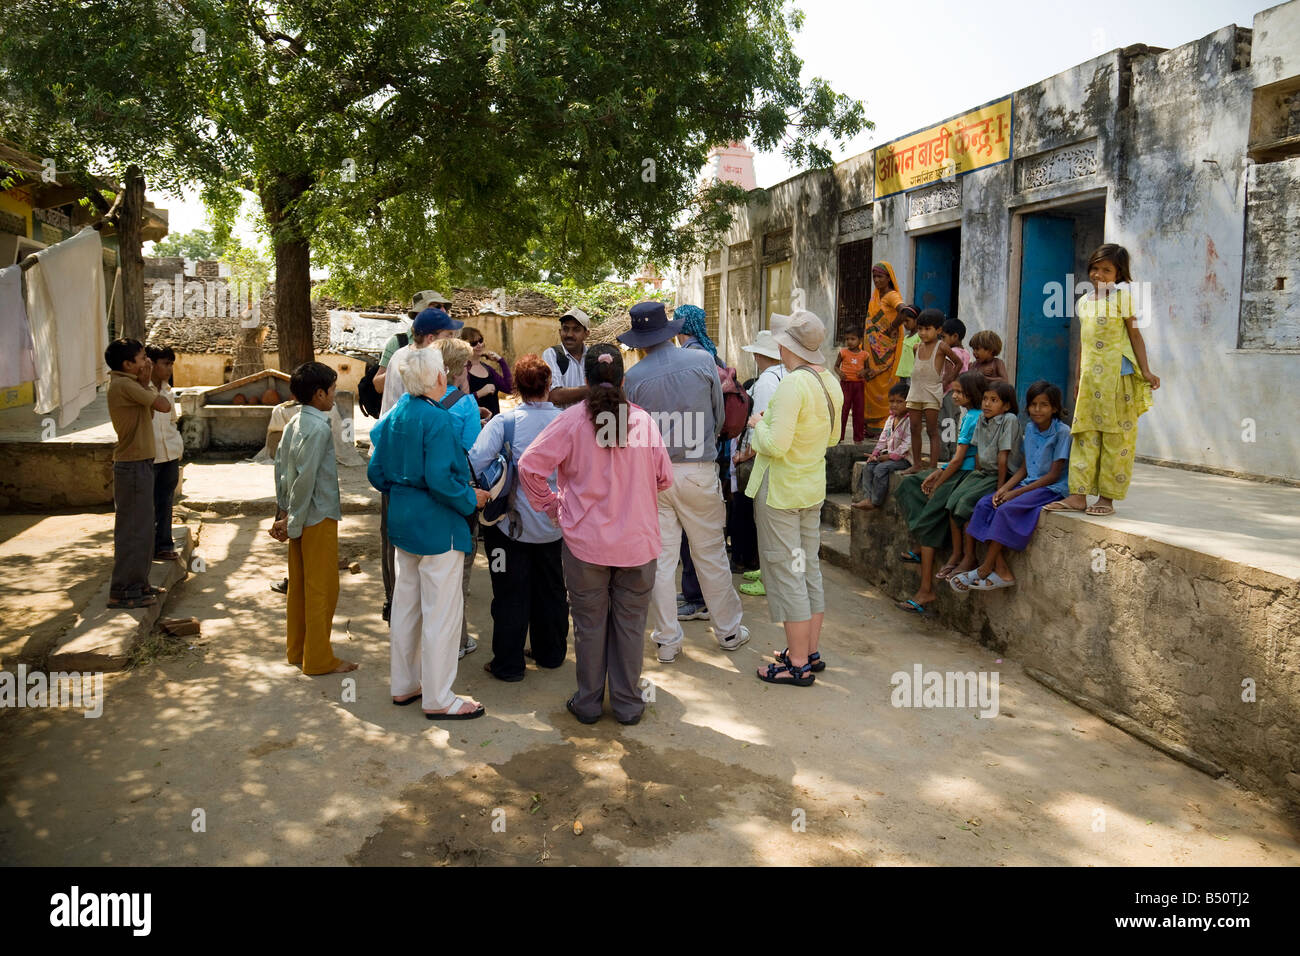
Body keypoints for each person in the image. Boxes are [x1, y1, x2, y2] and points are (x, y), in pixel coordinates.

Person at [518, 344, 673, 725]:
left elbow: (529, 466)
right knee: (631, 625)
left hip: (585, 544)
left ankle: (587, 703)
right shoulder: (642, 422)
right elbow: (664, 478)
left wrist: (553, 506)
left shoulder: (571, 421)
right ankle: (627, 704)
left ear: (584, 381)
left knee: (589, 624)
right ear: (623, 380)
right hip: (638, 544)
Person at [621, 300, 748, 663]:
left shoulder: (633, 378)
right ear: (669, 331)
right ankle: (728, 632)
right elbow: (719, 416)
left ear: (638, 340)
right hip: (698, 470)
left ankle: (667, 641)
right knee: (709, 552)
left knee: (660, 560)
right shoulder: (703, 362)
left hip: (654, 476)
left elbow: (630, 432)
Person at [367, 346, 490, 718]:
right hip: (439, 527)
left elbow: (376, 472)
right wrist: (472, 498)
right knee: (441, 612)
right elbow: (441, 480)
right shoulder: (437, 419)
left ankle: (405, 685)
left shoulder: (397, 412)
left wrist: (403, 491)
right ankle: (439, 697)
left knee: (407, 606)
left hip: (404, 524)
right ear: (439, 377)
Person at [745, 310, 843, 685]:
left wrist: (759, 425)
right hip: (810, 489)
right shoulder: (828, 381)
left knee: (787, 574)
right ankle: (808, 651)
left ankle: (797, 663)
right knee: (805, 568)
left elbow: (775, 443)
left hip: (781, 494)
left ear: (785, 344)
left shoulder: (790, 385)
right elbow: (832, 438)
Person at [469, 354, 567, 682]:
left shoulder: (504, 424)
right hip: (554, 527)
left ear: (516, 388)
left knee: (510, 593)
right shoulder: (566, 422)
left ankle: (509, 664)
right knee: (552, 590)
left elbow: (476, 462)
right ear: (549, 384)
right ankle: (550, 653)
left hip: (509, 529)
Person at [1047, 243, 1159, 517]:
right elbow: (1084, 343)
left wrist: (1146, 370)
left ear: (1118, 273)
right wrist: (1078, 379)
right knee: (1084, 435)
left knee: (1115, 437)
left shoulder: (1123, 299)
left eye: (1106, 270)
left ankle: (1106, 499)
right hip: (1090, 381)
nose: (1098, 274)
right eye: (1095, 268)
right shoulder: (1084, 302)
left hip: (1117, 378)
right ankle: (1078, 496)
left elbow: (1134, 336)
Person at [269, 362, 357, 675]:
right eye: (332, 390)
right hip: (316, 516)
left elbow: (281, 469)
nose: (334, 396)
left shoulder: (294, 423)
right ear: (319, 394)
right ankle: (318, 659)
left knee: (301, 587)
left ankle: (298, 650)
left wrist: (283, 512)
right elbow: (304, 478)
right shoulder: (319, 427)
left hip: (299, 514)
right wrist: (292, 520)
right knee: (322, 588)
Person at [377, 307, 463, 622]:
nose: (451, 340)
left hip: (398, 457)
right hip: (411, 459)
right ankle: (397, 599)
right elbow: (428, 406)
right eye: (446, 336)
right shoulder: (416, 363)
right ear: (430, 338)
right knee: (403, 537)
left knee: (397, 536)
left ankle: (399, 600)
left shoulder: (404, 356)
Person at [955, 381, 1071, 592]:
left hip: (1050, 488)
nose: (1037, 409)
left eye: (1044, 405)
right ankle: (1002, 570)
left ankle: (985, 568)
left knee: (1006, 509)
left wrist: (1016, 492)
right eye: (1033, 404)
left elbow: (1053, 475)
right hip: (1028, 483)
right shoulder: (1030, 428)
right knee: (984, 504)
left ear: (1054, 408)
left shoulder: (1062, 432)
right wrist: (1004, 489)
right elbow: (1024, 469)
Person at [893, 370, 987, 614]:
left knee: (929, 518)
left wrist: (938, 478)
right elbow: (957, 458)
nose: (954, 396)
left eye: (959, 392)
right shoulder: (968, 415)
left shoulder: (973, 418)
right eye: (954, 391)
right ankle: (923, 533)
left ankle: (926, 589)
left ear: (971, 395)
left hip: (962, 476)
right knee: (910, 485)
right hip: (955, 470)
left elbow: (959, 461)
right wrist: (937, 471)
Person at [105, 338, 171, 609]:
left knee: (143, 529)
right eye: (143, 358)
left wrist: (145, 385)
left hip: (140, 463)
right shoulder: (124, 385)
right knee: (133, 531)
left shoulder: (132, 386)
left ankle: (138, 583)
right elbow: (163, 406)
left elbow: (151, 415)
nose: (148, 363)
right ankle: (122, 590)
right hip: (132, 466)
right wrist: (147, 385)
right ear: (127, 364)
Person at [672, 304, 726, 622]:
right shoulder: (711, 354)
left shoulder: (689, 358)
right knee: (699, 534)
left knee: (691, 536)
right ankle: (696, 593)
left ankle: (699, 599)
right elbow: (717, 415)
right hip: (706, 455)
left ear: (682, 327)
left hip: (689, 460)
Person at [941, 380, 1022, 581]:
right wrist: (974, 477)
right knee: (952, 501)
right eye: (985, 399)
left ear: (1006, 405)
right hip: (983, 472)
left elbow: (1003, 458)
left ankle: (970, 557)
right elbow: (978, 453)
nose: (987, 404)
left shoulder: (1009, 420)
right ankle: (957, 553)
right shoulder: (981, 419)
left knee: (968, 504)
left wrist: (1000, 489)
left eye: (994, 400)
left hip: (1000, 474)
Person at [434, 336, 484, 658]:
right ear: (460, 369)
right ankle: (460, 638)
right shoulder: (464, 405)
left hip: (430, 495)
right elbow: (476, 455)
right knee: (459, 572)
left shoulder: (421, 402)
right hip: (460, 493)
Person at [733, 330, 785, 595]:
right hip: (776, 458)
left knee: (764, 521)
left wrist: (745, 455)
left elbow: (760, 424)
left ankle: (768, 577)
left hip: (761, 457)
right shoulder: (784, 375)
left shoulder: (766, 381)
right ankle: (767, 568)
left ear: (759, 354)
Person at [900, 309, 962, 473]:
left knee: (932, 430)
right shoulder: (916, 347)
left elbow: (958, 363)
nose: (922, 333)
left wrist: (948, 380)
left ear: (939, 330)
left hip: (932, 393)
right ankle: (917, 464)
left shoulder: (941, 347)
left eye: (927, 329)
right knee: (914, 428)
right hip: (915, 392)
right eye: (920, 329)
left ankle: (933, 466)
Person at [373, 290, 453, 396]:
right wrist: (402, 368)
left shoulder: (449, 342)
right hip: (405, 411)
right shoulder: (398, 342)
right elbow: (378, 386)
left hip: (437, 410)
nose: (443, 311)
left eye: (445, 307)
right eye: (437, 306)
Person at [860, 262, 908, 430]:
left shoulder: (891, 295)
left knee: (885, 385)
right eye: (874, 277)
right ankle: (871, 424)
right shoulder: (875, 296)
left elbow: (904, 310)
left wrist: (891, 328)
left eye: (880, 276)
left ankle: (884, 424)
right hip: (871, 351)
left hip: (886, 350)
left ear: (889, 278)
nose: (876, 280)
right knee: (870, 384)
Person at [146, 345, 183, 561]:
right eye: (165, 363)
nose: (169, 369)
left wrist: (177, 446)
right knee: (147, 505)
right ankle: (147, 547)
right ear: (150, 363)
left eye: (171, 364)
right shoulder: (142, 390)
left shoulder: (168, 390)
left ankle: (164, 544)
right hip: (149, 455)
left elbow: (172, 421)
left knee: (166, 502)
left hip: (169, 455)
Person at [852, 382, 912, 510]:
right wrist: (875, 454)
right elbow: (882, 440)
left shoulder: (910, 421)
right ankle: (867, 498)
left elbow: (907, 444)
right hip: (889, 457)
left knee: (880, 469)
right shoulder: (890, 420)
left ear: (908, 402)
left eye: (899, 401)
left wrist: (890, 456)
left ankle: (876, 502)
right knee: (869, 467)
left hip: (904, 460)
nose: (894, 404)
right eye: (892, 401)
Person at [461, 326, 513, 418]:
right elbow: (460, 403)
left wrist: (501, 361)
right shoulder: (462, 371)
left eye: (480, 340)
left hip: (494, 425)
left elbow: (509, 388)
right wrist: (480, 393)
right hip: (475, 425)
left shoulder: (488, 369)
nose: (479, 345)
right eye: (473, 343)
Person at [544, 307, 591, 406]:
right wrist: (594, 389)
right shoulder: (552, 355)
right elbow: (554, 396)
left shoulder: (593, 357)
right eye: (565, 329)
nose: (569, 334)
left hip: (588, 421)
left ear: (586, 334)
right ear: (560, 331)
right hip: (562, 421)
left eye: (576, 330)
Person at [834, 327, 867, 444]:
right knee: (843, 410)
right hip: (845, 385)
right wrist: (840, 373)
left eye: (853, 339)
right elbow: (836, 366)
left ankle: (858, 438)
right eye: (847, 339)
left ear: (860, 340)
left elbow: (868, 369)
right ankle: (839, 436)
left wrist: (864, 372)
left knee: (858, 411)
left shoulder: (864, 355)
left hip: (859, 386)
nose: (849, 341)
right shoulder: (843, 352)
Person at [893, 305, 921, 389]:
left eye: (907, 321)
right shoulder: (906, 337)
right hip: (903, 374)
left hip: (911, 374)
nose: (904, 324)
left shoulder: (919, 337)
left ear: (916, 320)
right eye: (903, 321)